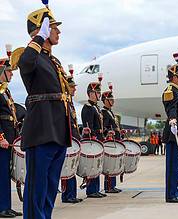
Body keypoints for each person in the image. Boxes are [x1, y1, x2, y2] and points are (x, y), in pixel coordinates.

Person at [18, 7, 72, 218]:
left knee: (50, 190)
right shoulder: (31, 56)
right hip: (41, 131)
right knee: (36, 190)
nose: (58, 32)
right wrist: (38, 38)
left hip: (57, 132)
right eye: (53, 28)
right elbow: (25, 64)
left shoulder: (52, 61)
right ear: (41, 30)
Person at [161, 56, 178, 203]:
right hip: (175, 131)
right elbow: (171, 108)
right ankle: (171, 194)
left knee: (177, 165)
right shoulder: (170, 90)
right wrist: (172, 121)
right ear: (175, 77)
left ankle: (175, 192)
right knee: (173, 165)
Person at [0, 53, 23, 218]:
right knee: (1, 173)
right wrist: (1, 137)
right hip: (3, 139)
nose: (12, 73)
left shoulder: (5, 91)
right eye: (9, 70)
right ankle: (2, 207)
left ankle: (6, 206)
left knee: (6, 173)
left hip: (10, 136)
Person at [81, 81, 107, 198]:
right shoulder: (88, 108)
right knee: (92, 165)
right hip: (93, 140)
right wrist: (95, 137)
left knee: (97, 165)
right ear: (91, 94)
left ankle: (95, 189)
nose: (99, 94)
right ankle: (91, 190)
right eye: (97, 92)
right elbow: (89, 126)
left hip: (99, 139)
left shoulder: (96, 107)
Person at [61, 72, 83, 204]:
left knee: (72, 168)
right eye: (72, 86)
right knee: (67, 169)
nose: (74, 88)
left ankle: (71, 194)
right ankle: (67, 195)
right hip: (68, 140)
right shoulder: (64, 102)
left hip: (73, 140)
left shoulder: (70, 103)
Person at [101, 90, 123, 193]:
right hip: (111, 140)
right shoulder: (104, 112)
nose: (112, 101)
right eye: (110, 99)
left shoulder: (110, 112)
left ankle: (112, 185)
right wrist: (109, 132)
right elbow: (104, 127)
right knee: (111, 164)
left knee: (114, 164)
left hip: (116, 139)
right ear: (105, 101)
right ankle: (109, 186)